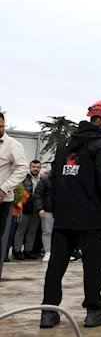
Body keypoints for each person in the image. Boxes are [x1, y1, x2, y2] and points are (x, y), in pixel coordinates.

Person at [40, 100, 101, 328]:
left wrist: (57, 207)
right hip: (93, 219)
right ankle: (95, 312)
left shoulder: (65, 145)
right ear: (100, 120)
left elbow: (54, 180)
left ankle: (48, 313)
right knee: (93, 268)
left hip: (64, 218)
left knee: (56, 267)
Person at [0, 112, 29, 267]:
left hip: (2, 199)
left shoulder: (13, 145)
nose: (0, 129)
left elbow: (21, 169)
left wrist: (4, 189)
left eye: (1, 126)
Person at [14, 160, 43, 260]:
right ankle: (17, 250)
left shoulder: (41, 178)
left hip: (37, 208)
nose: (35, 169)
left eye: (38, 167)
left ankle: (28, 250)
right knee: (21, 230)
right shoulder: (24, 178)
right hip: (25, 207)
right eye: (34, 167)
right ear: (29, 167)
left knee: (32, 230)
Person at [34, 171, 54, 262]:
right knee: (47, 232)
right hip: (48, 209)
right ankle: (48, 251)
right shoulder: (45, 180)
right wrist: (40, 208)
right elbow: (38, 194)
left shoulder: (65, 179)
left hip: (62, 210)